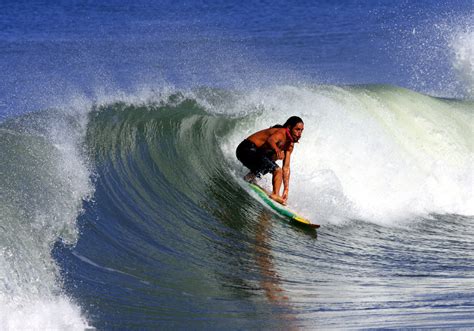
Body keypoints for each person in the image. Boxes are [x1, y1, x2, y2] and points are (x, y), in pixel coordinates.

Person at [236, 116, 304, 205]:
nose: (299, 133)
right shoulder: (281, 132)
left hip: (256, 153)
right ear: (289, 128)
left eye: (301, 130)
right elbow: (270, 140)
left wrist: (286, 188)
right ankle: (275, 195)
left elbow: (286, 168)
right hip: (245, 149)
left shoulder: (290, 145)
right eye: (297, 129)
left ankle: (250, 177)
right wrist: (277, 149)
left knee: (273, 158)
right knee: (277, 170)